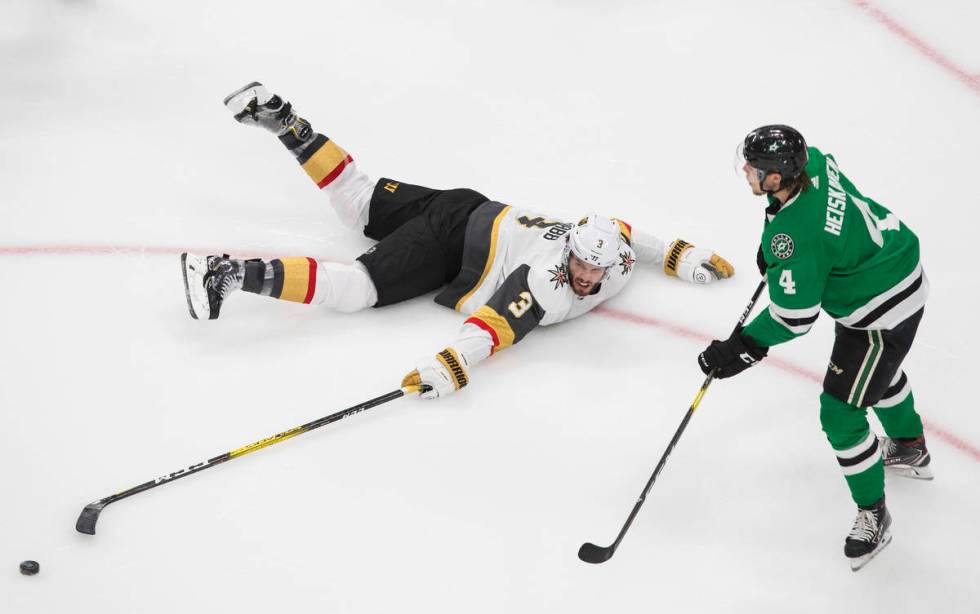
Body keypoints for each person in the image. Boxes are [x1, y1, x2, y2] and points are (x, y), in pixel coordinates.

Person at [182, 82, 735, 399]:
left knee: (357, 198)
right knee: (357, 290)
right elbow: (496, 325)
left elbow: (635, 239)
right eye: (580, 267)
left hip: (467, 204)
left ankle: (289, 125)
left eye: (596, 271)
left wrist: (685, 258)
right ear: (568, 255)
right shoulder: (549, 279)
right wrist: (451, 366)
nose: (587, 279)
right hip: (452, 244)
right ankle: (230, 272)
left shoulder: (608, 248)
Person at [697, 125, 931, 571]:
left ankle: (874, 513)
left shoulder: (796, 237)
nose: (745, 171)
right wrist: (777, 241)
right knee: (874, 376)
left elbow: (796, 317)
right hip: (894, 266)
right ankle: (909, 445)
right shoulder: (815, 163)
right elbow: (810, 220)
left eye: (754, 168)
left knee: (839, 412)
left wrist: (743, 347)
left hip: (879, 311)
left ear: (777, 176)